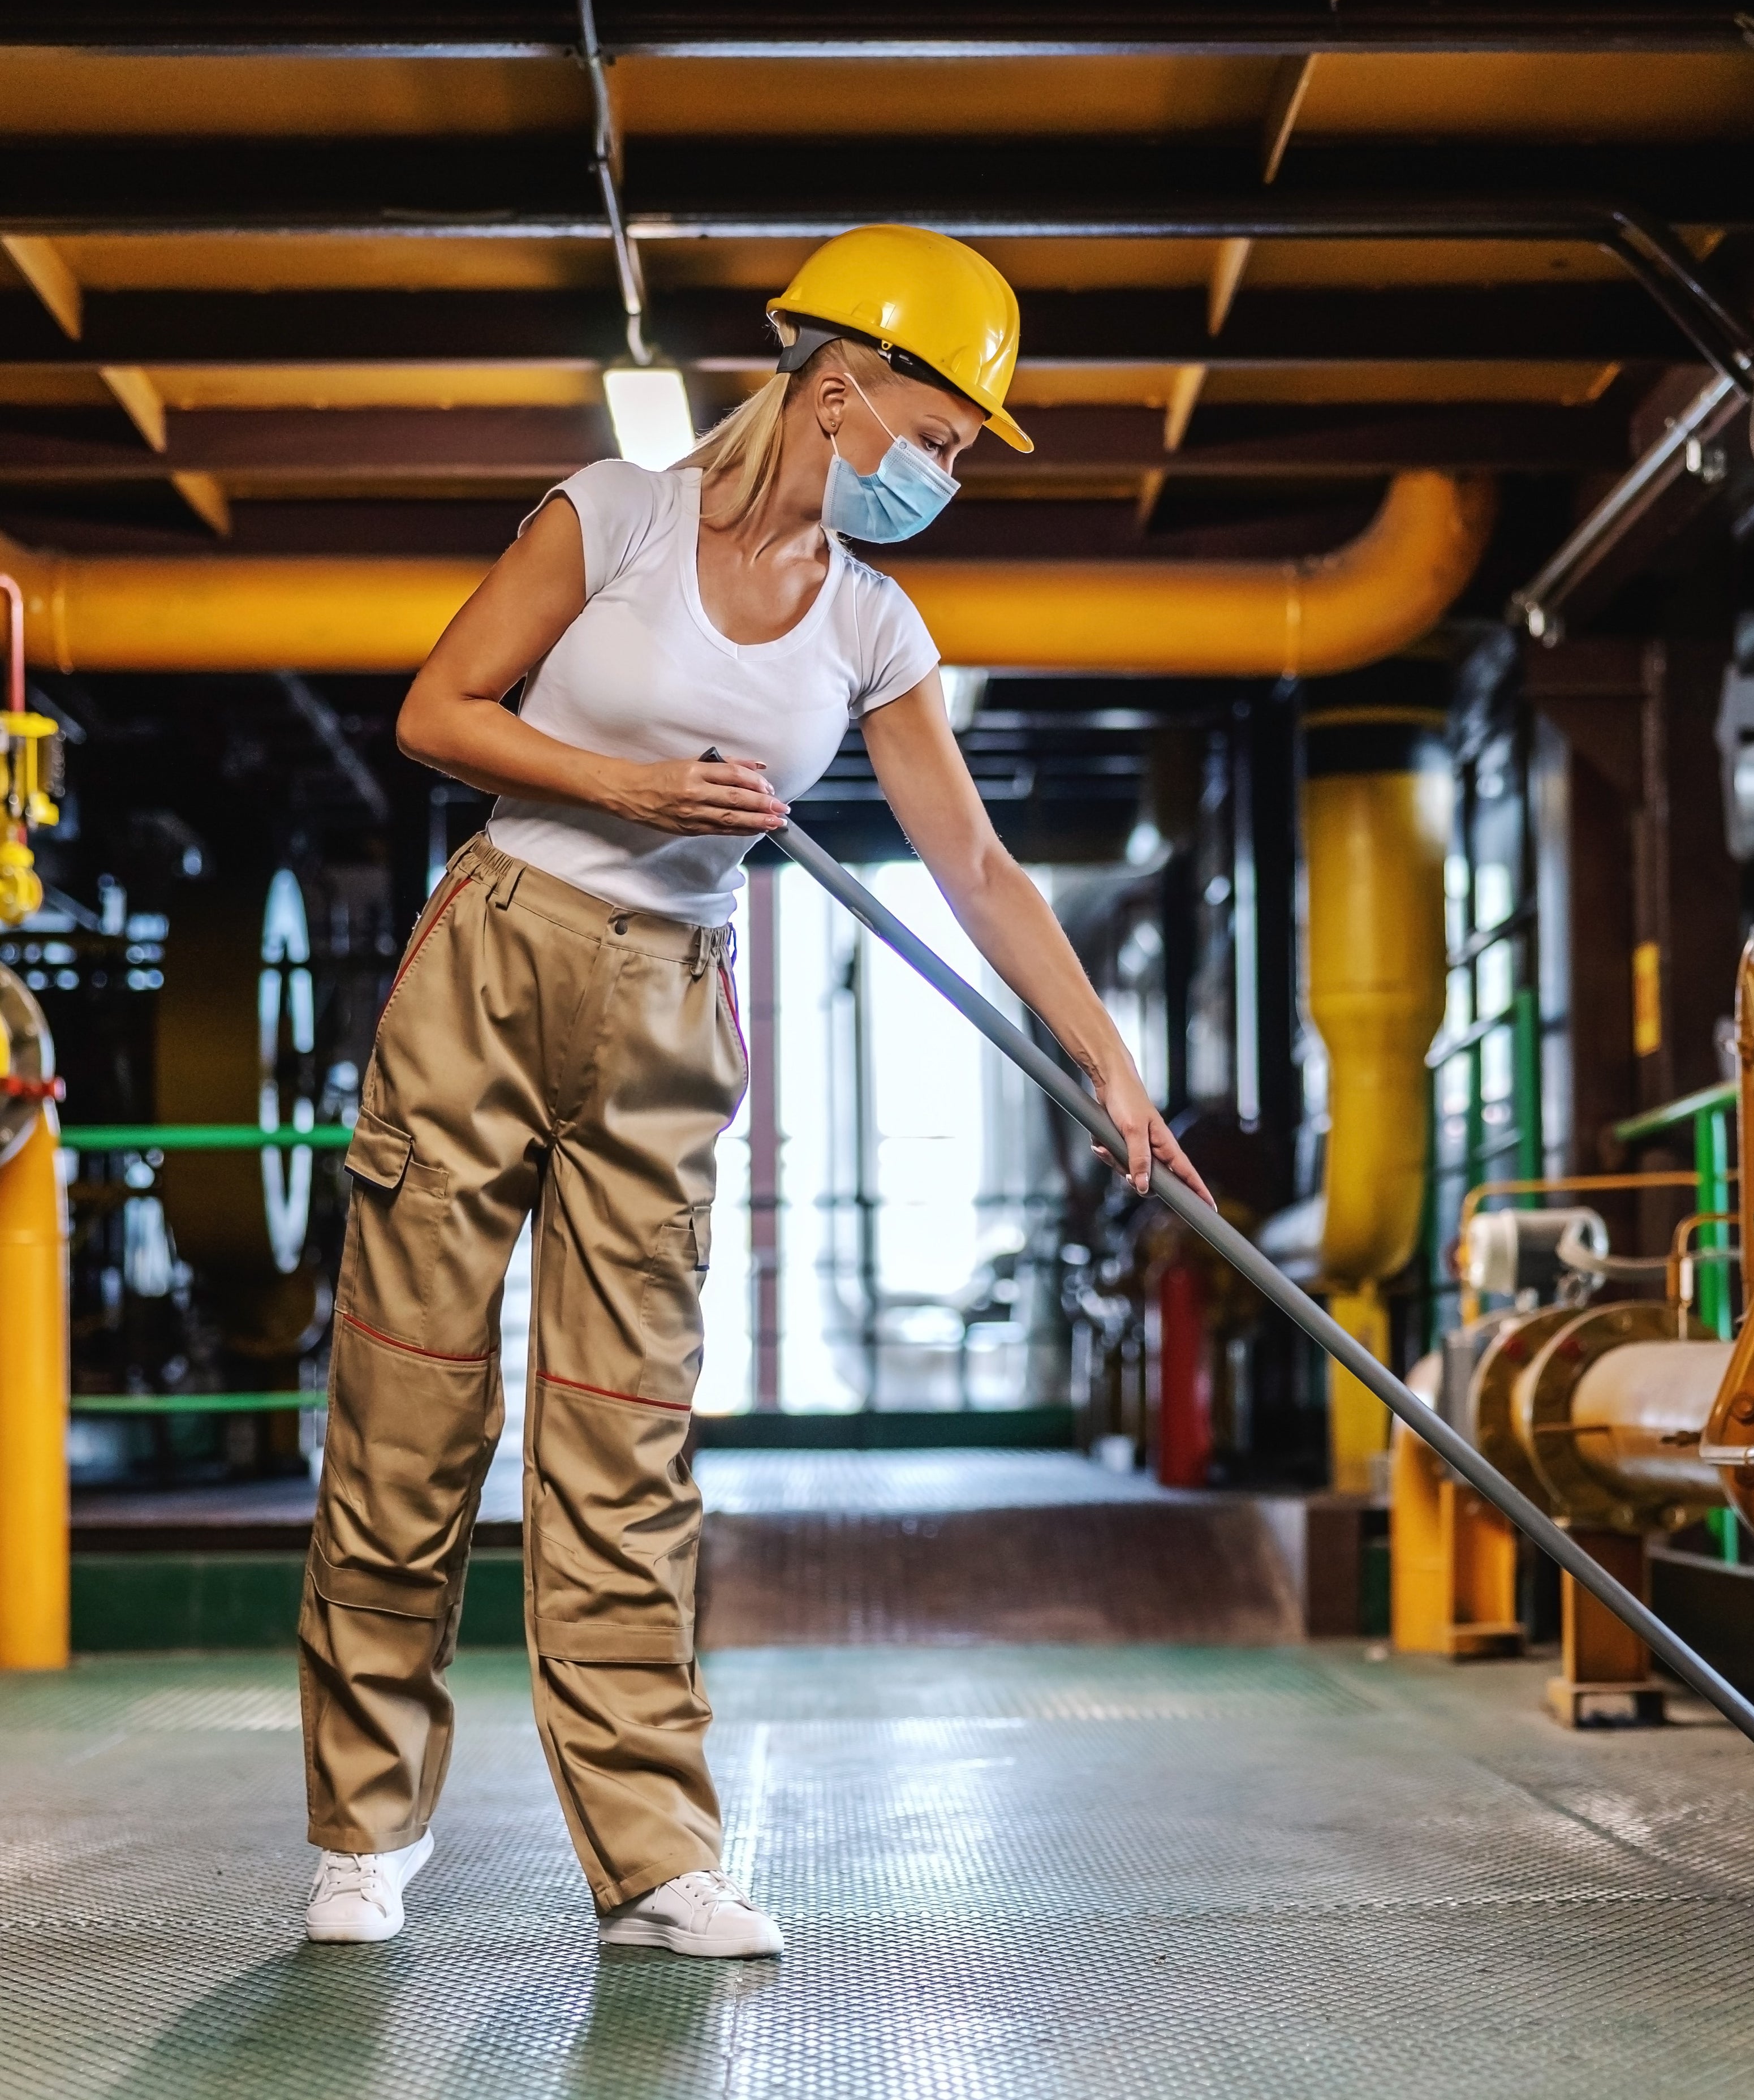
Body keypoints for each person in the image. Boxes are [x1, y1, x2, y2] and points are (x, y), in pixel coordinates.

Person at [295, 225, 1209, 1958]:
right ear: (845, 386)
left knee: (626, 1441)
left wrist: (1112, 1064)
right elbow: (437, 710)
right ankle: (363, 1831)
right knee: (411, 1408)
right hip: (497, 950)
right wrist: (626, 786)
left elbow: (984, 867)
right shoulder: (616, 515)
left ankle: (651, 1865)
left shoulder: (875, 619)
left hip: (668, 1003)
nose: (944, 477)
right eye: (941, 439)